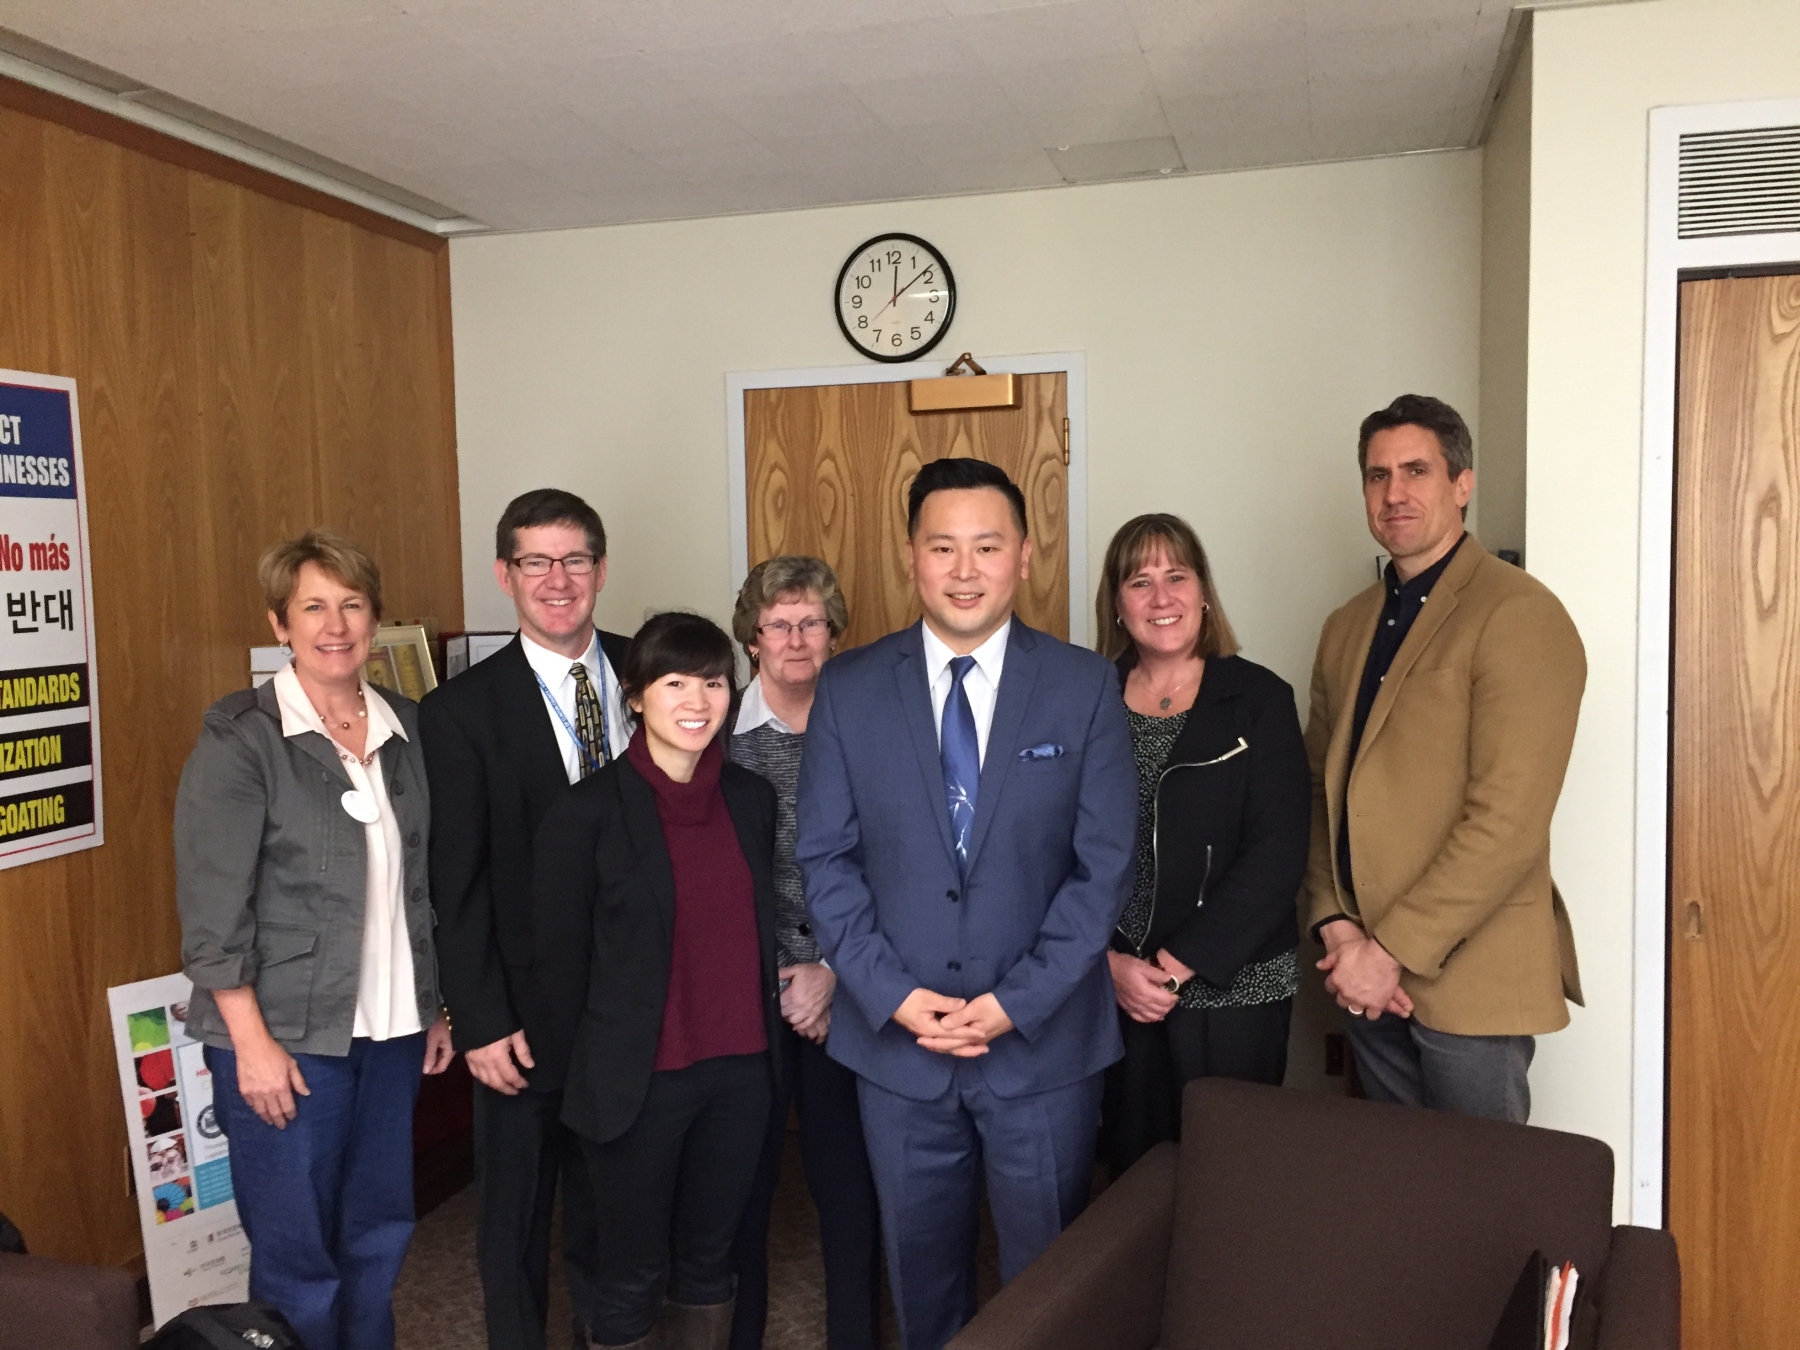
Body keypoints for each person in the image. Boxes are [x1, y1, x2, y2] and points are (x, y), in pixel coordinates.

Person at [797, 458, 1137, 1350]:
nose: (964, 569)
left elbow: (1101, 869)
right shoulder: (849, 689)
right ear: (911, 556)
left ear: (1023, 556)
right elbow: (827, 862)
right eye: (942, 546)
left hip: (1042, 1046)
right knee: (921, 1281)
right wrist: (895, 997)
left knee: (1049, 1288)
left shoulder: (1083, 686)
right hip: (898, 1050)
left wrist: (1014, 1003)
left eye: (987, 546)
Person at [175, 530, 454, 1350]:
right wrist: (250, 1044)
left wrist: (436, 1005)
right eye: (313, 608)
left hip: (393, 1033)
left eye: (352, 605)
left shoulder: (411, 727)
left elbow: (424, 885)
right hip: (286, 1040)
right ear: (280, 623)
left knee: (379, 1231)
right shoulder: (241, 737)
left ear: (375, 618)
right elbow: (213, 913)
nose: (336, 626)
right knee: (297, 1255)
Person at [1303, 394, 1586, 1124]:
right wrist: (1335, 925)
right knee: (1402, 1179)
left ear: (1462, 484)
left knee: (1483, 1184)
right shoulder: (1346, 626)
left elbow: (1507, 822)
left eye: (1416, 471)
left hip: (1472, 974)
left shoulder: (1518, 614)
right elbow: (1317, 792)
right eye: (1377, 475)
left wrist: (1387, 952)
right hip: (1363, 974)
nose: (1394, 492)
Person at [532, 613, 784, 1350]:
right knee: (631, 1272)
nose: (698, 701)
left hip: (740, 1077)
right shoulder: (586, 813)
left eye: (714, 682)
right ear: (636, 696)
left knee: (710, 1260)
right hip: (636, 1085)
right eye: (675, 683)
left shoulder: (751, 799)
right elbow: (559, 971)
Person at [420, 489, 631, 1350]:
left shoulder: (651, 670)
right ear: (505, 575)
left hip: (632, 1005)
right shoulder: (459, 711)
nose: (557, 580)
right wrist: (478, 1019)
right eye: (535, 562)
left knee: (615, 1213)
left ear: (601, 570)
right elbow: (456, 881)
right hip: (519, 1018)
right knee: (514, 1220)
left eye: (574, 560)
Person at [1095, 514, 1309, 1176]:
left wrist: (1174, 966)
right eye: (1140, 581)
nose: (1161, 598)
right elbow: (1053, 848)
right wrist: (1107, 964)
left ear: (1203, 592)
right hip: (1117, 985)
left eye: (1177, 577)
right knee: (1130, 1176)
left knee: (1228, 1179)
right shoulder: (1087, 698)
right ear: (1118, 603)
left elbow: (1277, 857)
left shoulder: (1260, 699)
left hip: (1234, 987)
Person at [724, 557, 881, 1350]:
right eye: (777, 624)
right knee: (738, 1188)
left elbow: (896, 864)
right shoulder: (713, 731)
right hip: (743, 993)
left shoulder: (873, 729)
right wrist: (778, 978)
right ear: (751, 639)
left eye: (811, 622)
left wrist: (829, 971)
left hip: (848, 984)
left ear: (834, 635)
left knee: (847, 1182)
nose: (795, 639)